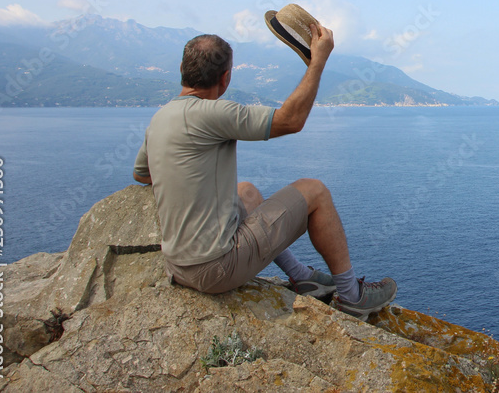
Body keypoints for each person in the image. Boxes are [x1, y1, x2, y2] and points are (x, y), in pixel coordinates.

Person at [132, 23, 396, 320]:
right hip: (216, 269)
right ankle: (351, 296)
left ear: (182, 68)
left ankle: (300, 277)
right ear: (226, 77)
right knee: (315, 191)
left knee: (245, 191)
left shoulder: (160, 118)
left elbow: (143, 175)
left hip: (179, 266)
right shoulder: (215, 113)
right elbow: (291, 120)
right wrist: (318, 60)